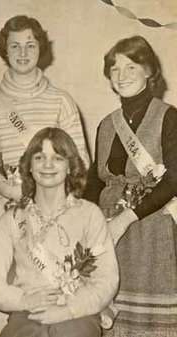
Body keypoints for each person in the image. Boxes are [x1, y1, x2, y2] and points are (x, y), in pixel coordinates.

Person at [0, 127, 118, 337]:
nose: (47, 165)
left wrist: (69, 310)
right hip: (28, 313)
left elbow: (107, 279)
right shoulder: (13, 218)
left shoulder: (90, 214)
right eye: (39, 157)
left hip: (77, 313)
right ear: (29, 166)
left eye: (57, 158)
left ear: (71, 166)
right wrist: (24, 300)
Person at [0, 15, 89, 252]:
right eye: (15, 46)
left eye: (30, 45)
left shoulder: (61, 101)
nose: (22, 53)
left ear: (40, 48)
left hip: (54, 208)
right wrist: (9, 190)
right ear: (5, 50)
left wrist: (50, 191)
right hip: (4, 206)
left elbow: (81, 161)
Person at [84, 35, 177, 337]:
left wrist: (125, 220)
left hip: (152, 228)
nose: (121, 76)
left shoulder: (169, 117)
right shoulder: (107, 124)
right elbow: (95, 182)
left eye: (131, 67)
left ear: (149, 71)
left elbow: (174, 179)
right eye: (114, 69)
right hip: (108, 231)